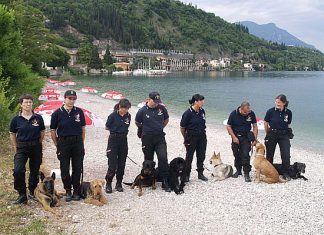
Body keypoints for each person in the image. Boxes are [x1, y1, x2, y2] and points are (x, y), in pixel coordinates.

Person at [50, 90, 86, 201]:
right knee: (64, 169)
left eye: (74, 98)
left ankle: (76, 190)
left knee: (77, 168)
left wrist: (81, 143)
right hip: (63, 142)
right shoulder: (57, 113)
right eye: (69, 98)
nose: (71, 100)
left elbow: (83, 129)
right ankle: (68, 190)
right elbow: (52, 131)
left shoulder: (79, 112)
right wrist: (58, 145)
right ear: (64, 99)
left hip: (77, 142)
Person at [9, 94, 45, 204]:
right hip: (22, 147)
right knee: (18, 170)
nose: (28, 104)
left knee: (34, 171)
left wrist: (38, 143)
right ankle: (22, 194)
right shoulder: (16, 119)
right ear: (21, 104)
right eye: (26, 102)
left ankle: (32, 191)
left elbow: (42, 132)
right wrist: (16, 147)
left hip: (35, 147)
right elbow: (12, 134)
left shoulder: (38, 118)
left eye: (30, 102)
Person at [135, 92, 171, 192]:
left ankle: (164, 180)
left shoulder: (161, 108)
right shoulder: (142, 110)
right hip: (147, 138)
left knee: (163, 158)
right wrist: (146, 129)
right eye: (154, 101)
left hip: (159, 138)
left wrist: (160, 128)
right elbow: (137, 122)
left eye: (157, 102)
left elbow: (166, 119)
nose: (156, 103)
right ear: (149, 99)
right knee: (148, 160)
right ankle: (148, 179)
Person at [226, 101, 258, 182]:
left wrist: (254, 139)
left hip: (246, 137)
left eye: (248, 112)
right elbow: (228, 126)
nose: (247, 113)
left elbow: (255, 126)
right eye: (245, 112)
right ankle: (238, 170)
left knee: (245, 154)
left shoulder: (251, 113)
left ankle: (246, 173)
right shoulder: (234, 114)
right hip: (236, 136)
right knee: (236, 154)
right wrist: (233, 137)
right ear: (241, 109)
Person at [105, 99, 131, 193]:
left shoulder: (128, 116)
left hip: (123, 140)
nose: (124, 110)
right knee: (112, 164)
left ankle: (118, 183)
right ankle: (108, 183)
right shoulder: (112, 115)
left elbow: (127, 126)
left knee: (122, 163)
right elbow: (107, 126)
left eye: (127, 108)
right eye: (123, 108)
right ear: (119, 106)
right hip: (113, 139)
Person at [264, 94, 293, 181]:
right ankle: (268, 171)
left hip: (284, 135)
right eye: (276, 102)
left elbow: (288, 123)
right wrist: (268, 133)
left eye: (279, 102)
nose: (277, 103)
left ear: (284, 103)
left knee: (286, 155)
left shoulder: (288, 112)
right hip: (272, 133)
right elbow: (265, 122)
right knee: (269, 154)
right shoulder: (270, 111)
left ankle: (285, 173)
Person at [180, 94, 208, 182]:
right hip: (191, 136)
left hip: (202, 135)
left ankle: (200, 173)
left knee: (201, 155)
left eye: (203, 100)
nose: (203, 102)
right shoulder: (188, 113)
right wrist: (186, 138)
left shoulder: (202, 111)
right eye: (201, 100)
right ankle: (186, 175)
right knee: (189, 157)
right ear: (195, 102)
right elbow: (182, 127)